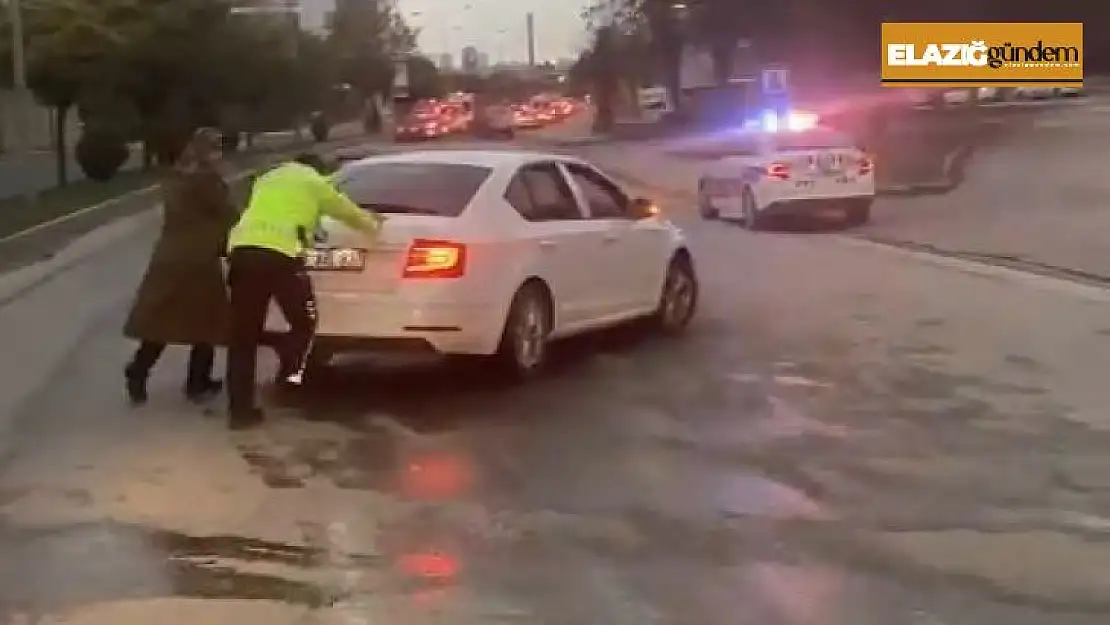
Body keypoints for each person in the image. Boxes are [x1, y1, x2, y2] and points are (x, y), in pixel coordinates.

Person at [224, 152, 383, 429]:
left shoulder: (267, 178)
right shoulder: (315, 182)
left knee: (242, 339)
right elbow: (346, 211)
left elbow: (279, 210)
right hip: (281, 256)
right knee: (304, 322)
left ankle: (240, 412)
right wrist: (373, 224)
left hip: (242, 251)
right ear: (318, 170)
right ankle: (288, 367)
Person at [123, 127, 237, 405]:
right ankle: (197, 382)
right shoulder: (207, 181)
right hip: (198, 261)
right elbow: (228, 214)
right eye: (215, 147)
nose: (217, 153)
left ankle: (138, 370)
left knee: (163, 322)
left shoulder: (176, 179)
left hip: (169, 258)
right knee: (206, 322)